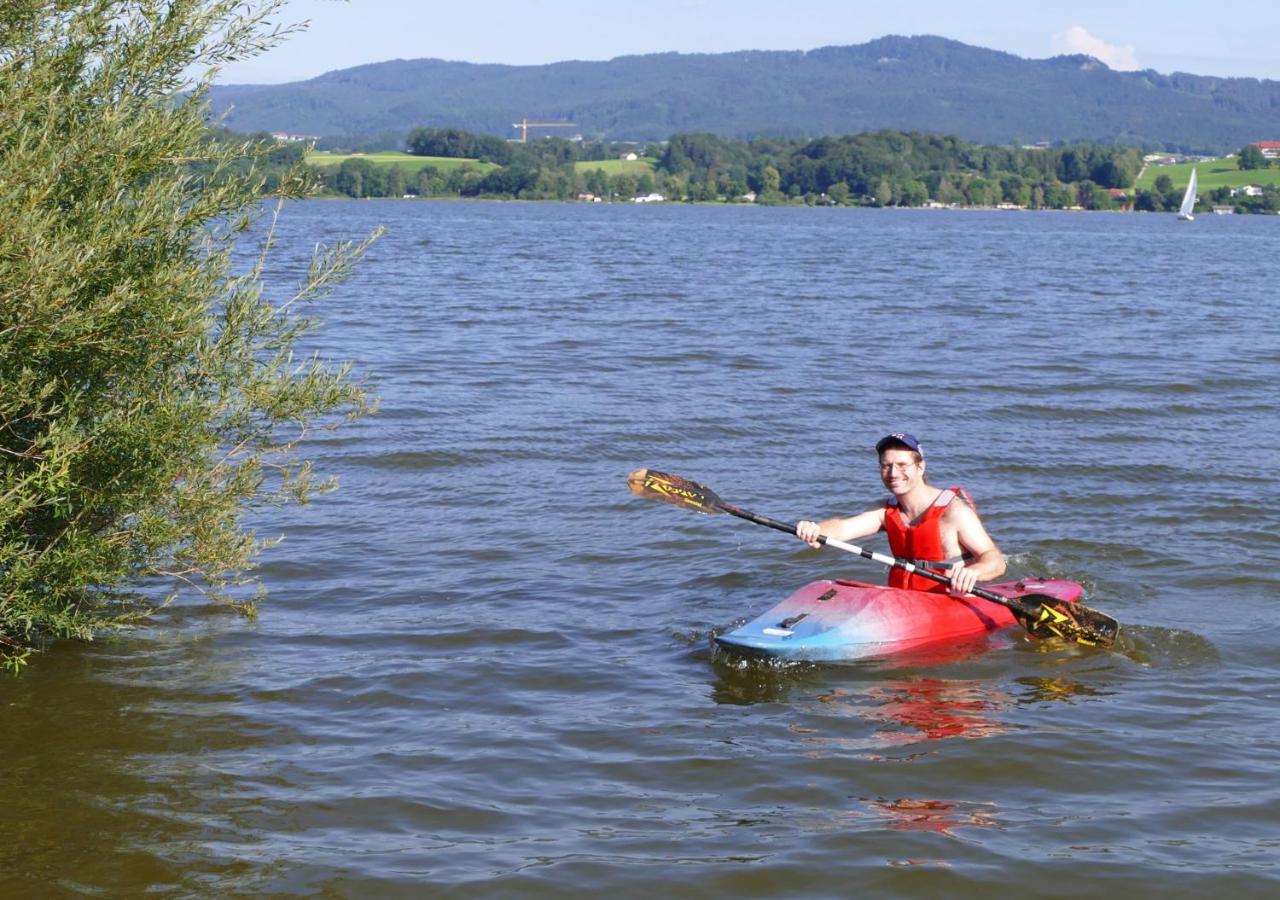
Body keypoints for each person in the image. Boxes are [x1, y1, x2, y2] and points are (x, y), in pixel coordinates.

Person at [795, 433, 1006, 595]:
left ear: (920, 467)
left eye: (902, 465)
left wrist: (973, 573)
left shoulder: (954, 511)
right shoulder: (885, 511)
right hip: (903, 600)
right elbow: (842, 528)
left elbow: (995, 561)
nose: (893, 473)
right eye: (886, 466)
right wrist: (816, 529)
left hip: (949, 599)